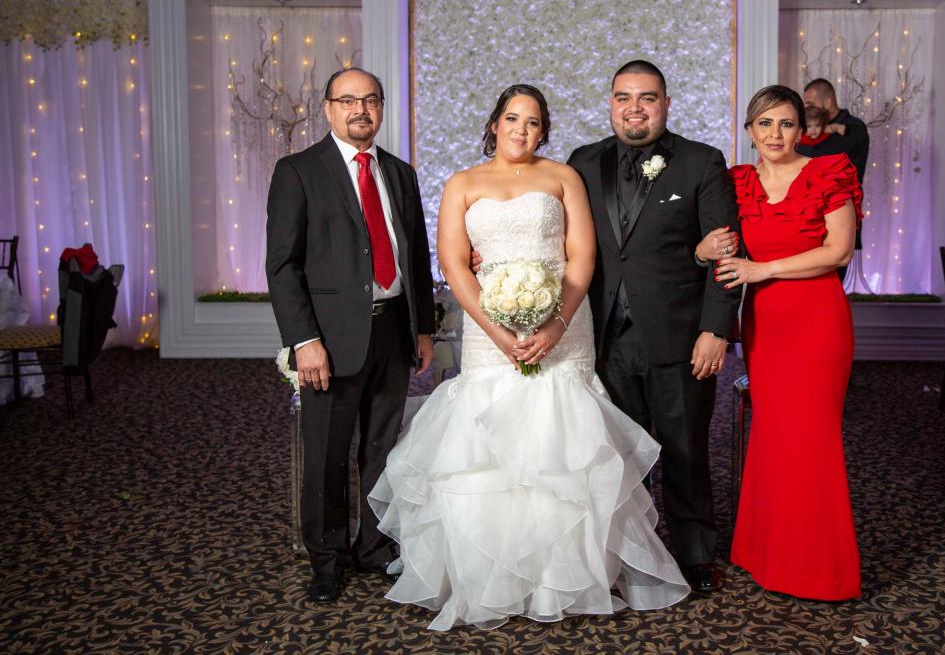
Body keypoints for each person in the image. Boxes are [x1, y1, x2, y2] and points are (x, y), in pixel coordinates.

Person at [368, 84, 688, 631]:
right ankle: (490, 576)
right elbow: (454, 263)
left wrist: (556, 324)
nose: (521, 129)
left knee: (561, 441)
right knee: (489, 447)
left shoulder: (563, 177)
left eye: (533, 121)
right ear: (494, 123)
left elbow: (582, 255)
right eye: (512, 118)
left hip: (565, 324)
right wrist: (496, 332)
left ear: (544, 131)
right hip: (488, 329)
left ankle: (562, 577)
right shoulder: (463, 183)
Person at [566, 60, 741, 593]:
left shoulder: (701, 162)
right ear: (611, 104)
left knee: (684, 450)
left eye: (647, 97)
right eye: (624, 97)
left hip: (681, 337)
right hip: (604, 338)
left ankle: (696, 555)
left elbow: (726, 254)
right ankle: (632, 555)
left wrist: (716, 330)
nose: (634, 108)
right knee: (618, 455)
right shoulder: (582, 162)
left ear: (665, 103)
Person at [265, 67, 436, 604]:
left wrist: (423, 328)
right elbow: (282, 266)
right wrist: (304, 340)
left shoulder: (400, 173)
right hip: (330, 340)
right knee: (327, 453)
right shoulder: (298, 171)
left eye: (370, 100)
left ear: (381, 108)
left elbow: (416, 254)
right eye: (348, 100)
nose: (360, 109)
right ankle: (327, 557)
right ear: (328, 108)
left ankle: (374, 547)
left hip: (393, 332)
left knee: (383, 450)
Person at [698, 84, 862, 600]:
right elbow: (715, 243)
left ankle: (819, 572)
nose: (775, 134)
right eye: (765, 123)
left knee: (812, 440)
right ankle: (766, 555)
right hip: (765, 324)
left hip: (817, 320)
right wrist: (703, 249)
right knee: (773, 437)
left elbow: (839, 252)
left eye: (786, 123)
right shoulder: (738, 182)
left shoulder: (829, 172)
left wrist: (762, 269)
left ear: (801, 130)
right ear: (750, 131)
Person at [798, 78, 870, 276]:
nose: (806, 109)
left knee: (833, 278)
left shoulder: (853, 128)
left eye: (810, 104)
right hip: (808, 213)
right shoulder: (811, 130)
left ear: (828, 102)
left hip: (840, 212)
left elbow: (818, 155)